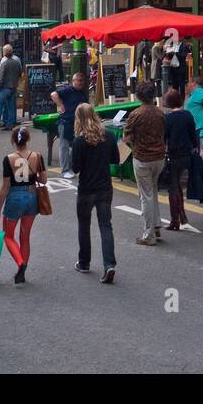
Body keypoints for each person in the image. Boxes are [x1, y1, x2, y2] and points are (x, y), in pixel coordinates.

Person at [71, 103, 118, 283]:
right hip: (105, 187)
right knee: (105, 225)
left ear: (79, 119)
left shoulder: (79, 141)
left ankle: (84, 262)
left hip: (86, 189)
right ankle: (109, 264)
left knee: (84, 226)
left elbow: (75, 168)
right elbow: (115, 159)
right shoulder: (109, 135)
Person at [0, 126, 44, 283]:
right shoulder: (37, 156)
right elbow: (43, 180)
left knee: (8, 235)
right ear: (27, 139)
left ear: (13, 140)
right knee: (25, 236)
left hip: (15, 197)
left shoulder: (9, 159)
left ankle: (20, 263)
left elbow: (5, 187)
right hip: (32, 196)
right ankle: (24, 268)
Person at [124, 81, 167, 246]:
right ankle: (156, 225)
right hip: (159, 158)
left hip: (142, 158)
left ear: (139, 96)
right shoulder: (160, 113)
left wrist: (133, 145)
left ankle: (149, 234)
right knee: (153, 191)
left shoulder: (135, 114)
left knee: (146, 196)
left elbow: (126, 138)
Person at [162, 88, 198, 232]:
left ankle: (174, 220)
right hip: (187, 154)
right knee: (177, 186)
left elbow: (164, 138)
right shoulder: (187, 115)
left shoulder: (168, 119)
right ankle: (182, 216)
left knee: (173, 188)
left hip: (174, 155)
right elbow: (193, 135)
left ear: (168, 103)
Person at [52, 71, 89, 179]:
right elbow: (53, 94)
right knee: (64, 147)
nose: (81, 83)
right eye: (79, 81)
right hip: (65, 122)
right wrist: (61, 104)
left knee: (75, 146)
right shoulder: (68, 90)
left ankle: (72, 168)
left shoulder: (82, 92)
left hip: (77, 123)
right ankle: (64, 170)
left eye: (82, 81)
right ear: (73, 81)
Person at [0, 44, 22, 130]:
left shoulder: (4, 62)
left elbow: (1, 76)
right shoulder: (16, 60)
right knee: (11, 106)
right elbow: (19, 72)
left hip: (5, 87)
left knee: (0, 106)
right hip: (13, 86)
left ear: (5, 52)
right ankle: (11, 123)